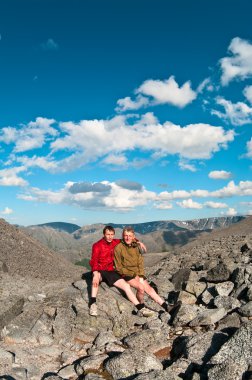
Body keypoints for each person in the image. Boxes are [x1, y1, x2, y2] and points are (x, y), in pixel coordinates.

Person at [89, 225, 155, 317]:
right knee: (95, 281)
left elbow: (128, 239)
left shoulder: (115, 242)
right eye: (108, 234)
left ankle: (141, 308)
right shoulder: (97, 245)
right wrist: (95, 273)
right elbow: (94, 260)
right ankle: (93, 304)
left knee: (126, 286)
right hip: (101, 270)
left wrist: (139, 242)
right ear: (104, 234)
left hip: (112, 271)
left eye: (112, 234)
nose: (110, 236)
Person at [114, 226, 181, 314]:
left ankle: (167, 307)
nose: (127, 238)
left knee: (149, 289)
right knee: (141, 288)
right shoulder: (118, 248)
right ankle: (141, 306)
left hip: (137, 273)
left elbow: (140, 262)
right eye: (125, 235)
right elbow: (118, 267)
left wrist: (140, 276)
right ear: (123, 236)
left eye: (130, 236)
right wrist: (134, 275)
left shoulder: (136, 246)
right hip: (126, 274)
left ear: (133, 236)